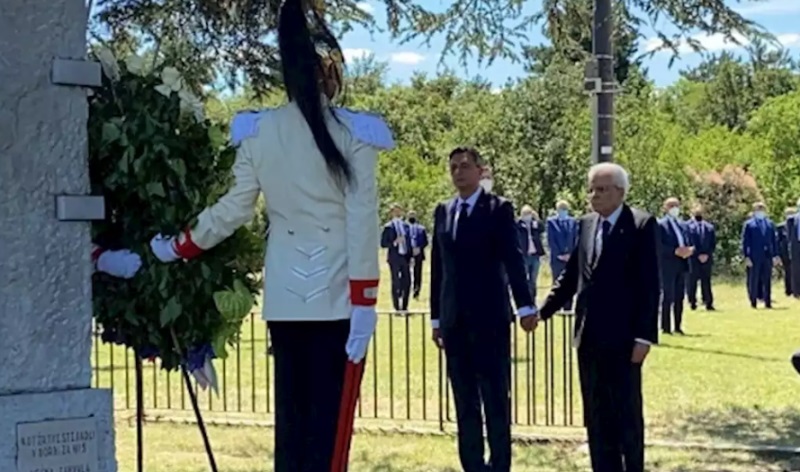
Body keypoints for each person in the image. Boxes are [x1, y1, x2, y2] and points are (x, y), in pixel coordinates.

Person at [148, 1, 395, 469]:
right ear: (329, 76)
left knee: (293, 424)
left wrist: (179, 245)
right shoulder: (357, 133)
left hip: (285, 298)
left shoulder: (258, 132)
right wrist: (365, 301)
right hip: (337, 298)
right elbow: (362, 220)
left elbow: (232, 211)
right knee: (329, 431)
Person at [526, 162, 659, 472]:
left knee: (625, 412)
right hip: (589, 337)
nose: (594, 196)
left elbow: (650, 285)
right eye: (592, 189)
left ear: (621, 192)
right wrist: (542, 312)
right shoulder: (586, 224)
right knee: (596, 414)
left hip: (625, 339)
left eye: (602, 190)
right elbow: (571, 277)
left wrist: (644, 336)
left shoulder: (640, 224)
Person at [429, 146, 536, 472]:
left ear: (480, 171)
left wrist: (526, 305)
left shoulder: (498, 208)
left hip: (490, 319)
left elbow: (513, 259)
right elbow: (438, 267)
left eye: (465, 166)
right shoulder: (443, 210)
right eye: (454, 168)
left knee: (494, 399)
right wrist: (436, 317)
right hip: (454, 321)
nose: (459, 173)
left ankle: (500, 464)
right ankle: (472, 464)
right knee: (464, 401)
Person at [658, 197, 692, 334]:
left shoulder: (682, 224)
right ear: (665, 208)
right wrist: (674, 251)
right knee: (668, 296)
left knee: (680, 297)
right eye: (671, 205)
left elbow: (687, 241)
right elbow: (658, 246)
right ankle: (665, 327)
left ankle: (678, 326)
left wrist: (689, 250)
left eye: (677, 205)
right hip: (667, 265)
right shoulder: (660, 225)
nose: (675, 208)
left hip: (682, 264)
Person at [742, 202, 780, 309]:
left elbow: (774, 240)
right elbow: (745, 242)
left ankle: (767, 301)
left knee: (767, 279)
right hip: (754, 256)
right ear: (754, 211)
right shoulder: (749, 224)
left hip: (767, 255)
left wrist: (776, 255)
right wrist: (746, 256)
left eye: (762, 209)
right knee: (754, 279)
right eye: (758, 209)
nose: (760, 211)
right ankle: (753, 301)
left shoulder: (770, 224)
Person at [546, 200, 578, 311]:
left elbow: (576, 239)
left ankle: (568, 308)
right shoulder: (551, 222)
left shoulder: (573, 222)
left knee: (570, 282)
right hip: (557, 259)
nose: (563, 211)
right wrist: (559, 255)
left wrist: (571, 254)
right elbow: (551, 240)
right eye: (561, 209)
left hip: (571, 258)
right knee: (558, 283)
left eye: (564, 209)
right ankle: (556, 307)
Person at [381, 204, 411, 312]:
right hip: (394, 257)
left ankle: (405, 306)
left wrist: (411, 255)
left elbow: (409, 241)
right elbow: (383, 243)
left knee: (407, 281)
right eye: (395, 211)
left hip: (405, 257)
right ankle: (397, 307)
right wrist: (394, 242)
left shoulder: (406, 226)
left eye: (399, 211)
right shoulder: (388, 227)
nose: (397, 213)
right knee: (396, 281)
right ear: (391, 213)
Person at [686, 204, 716, 311]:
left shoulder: (709, 227)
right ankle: (692, 302)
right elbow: (688, 242)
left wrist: (706, 254)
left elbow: (713, 243)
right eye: (696, 210)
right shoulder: (687, 226)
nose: (698, 212)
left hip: (706, 258)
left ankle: (708, 302)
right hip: (693, 258)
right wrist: (697, 254)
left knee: (706, 281)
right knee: (692, 281)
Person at [516, 205, 545, 303]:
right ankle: (525, 300)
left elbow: (542, 228)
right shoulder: (518, 225)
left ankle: (533, 300)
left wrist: (536, 218)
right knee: (525, 279)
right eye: (525, 214)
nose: (527, 216)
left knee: (533, 279)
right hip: (524, 256)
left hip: (535, 256)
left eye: (528, 214)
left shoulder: (535, 224)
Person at [406, 210, 429, 300]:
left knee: (418, 273)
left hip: (418, 253)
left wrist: (419, 248)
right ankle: (406, 290)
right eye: (410, 215)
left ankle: (416, 291)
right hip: (407, 254)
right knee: (407, 273)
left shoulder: (421, 229)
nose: (412, 217)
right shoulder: (405, 227)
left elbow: (425, 241)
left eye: (413, 215)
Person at [777, 207, 795, 297]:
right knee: (787, 271)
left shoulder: (797, 225)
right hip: (785, 253)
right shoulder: (780, 227)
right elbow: (777, 241)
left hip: (795, 252)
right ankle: (788, 290)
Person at [788, 200, 800, 298]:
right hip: (796, 246)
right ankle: (796, 292)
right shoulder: (791, 219)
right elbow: (789, 235)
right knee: (795, 269)